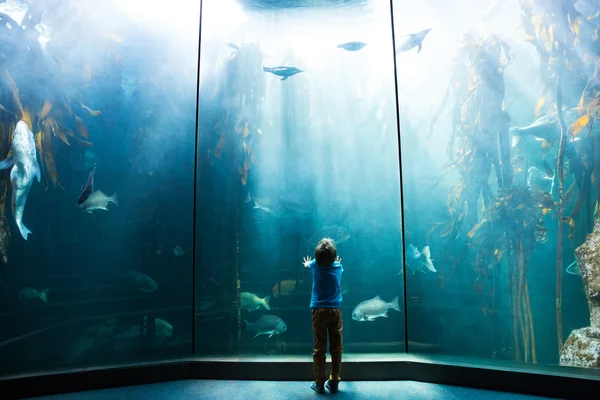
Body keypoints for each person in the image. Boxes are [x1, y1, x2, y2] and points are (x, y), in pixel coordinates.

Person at [302, 237, 343, 393]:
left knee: (319, 348)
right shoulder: (338, 266)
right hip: (335, 311)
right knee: (336, 348)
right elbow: (337, 264)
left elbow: (308, 265)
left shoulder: (314, 265)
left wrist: (307, 263)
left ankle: (319, 383)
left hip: (319, 311)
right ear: (334, 258)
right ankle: (334, 381)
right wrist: (334, 261)